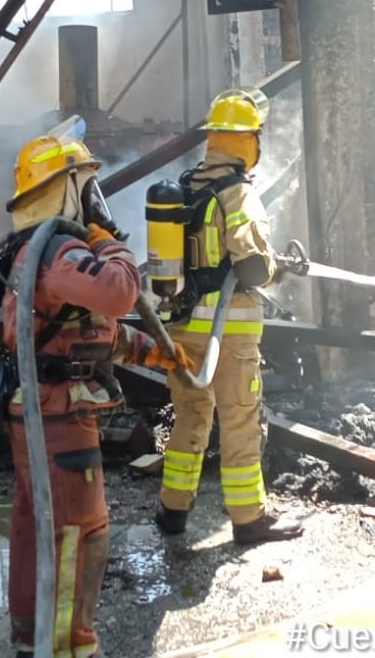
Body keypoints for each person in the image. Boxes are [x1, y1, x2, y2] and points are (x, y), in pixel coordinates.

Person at [1, 134, 192, 658]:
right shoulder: (61, 249)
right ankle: (67, 646)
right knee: (79, 535)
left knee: (36, 526)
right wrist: (110, 241)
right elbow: (118, 292)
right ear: (68, 187)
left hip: (40, 410)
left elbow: (81, 332)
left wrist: (154, 351)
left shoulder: (37, 250)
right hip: (59, 416)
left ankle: (31, 637)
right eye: (87, 187)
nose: (94, 200)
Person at [154, 88, 303, 544]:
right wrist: (281, 267)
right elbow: (254, 268)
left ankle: (172, 511)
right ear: (246, 141)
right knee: (240, 420)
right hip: (229, 334)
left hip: (180, 328)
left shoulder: (185, 188)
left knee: (191, 417)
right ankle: (249, 519)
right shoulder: (237, 194)